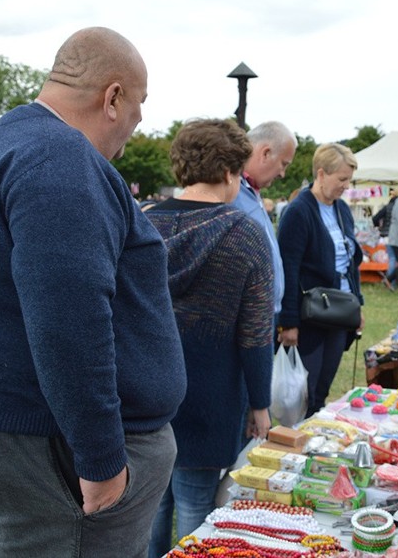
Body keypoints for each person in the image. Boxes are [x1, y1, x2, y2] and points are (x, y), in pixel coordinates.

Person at [0, 28, 186, 558]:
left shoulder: (13, 137)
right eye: (139, 105)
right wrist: (101, 458)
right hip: (46, 441)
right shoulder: (59, 160)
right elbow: (69, 322)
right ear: (112, 98)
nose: (139, 121)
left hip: (1, 417)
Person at [145, 119, 273, 558]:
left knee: (152, 503)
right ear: (229, 173)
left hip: (146, 387)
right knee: (197, 502)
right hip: (211, 393)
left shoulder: (140, 224)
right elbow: (256, 332)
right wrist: (260, 403)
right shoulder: (244, 234)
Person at [278, 143, 364, 417]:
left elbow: (350, 264)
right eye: (341, 179)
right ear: (321, 173)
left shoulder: (343, 211)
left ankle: (316, 433)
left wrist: (357, 305)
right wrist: (288, 321)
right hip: (310, 316)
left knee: (323, 386)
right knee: (305, 389)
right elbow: (288, 269)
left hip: (339, 312)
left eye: (348, 180)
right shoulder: (299, 211)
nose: (345, 186)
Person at [232, 121, 297, 317]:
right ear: (266, 153)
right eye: (283, 164)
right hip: (248, 318)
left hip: (265, 316)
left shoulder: (253, 193)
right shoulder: (232, 192)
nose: (283, 174)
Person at [372, 188, 398, 290]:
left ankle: (389, 281)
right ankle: (391, 281)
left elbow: (375, 218)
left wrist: (379, 227)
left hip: (386, 235)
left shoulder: (387, 207)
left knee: (392, 258)